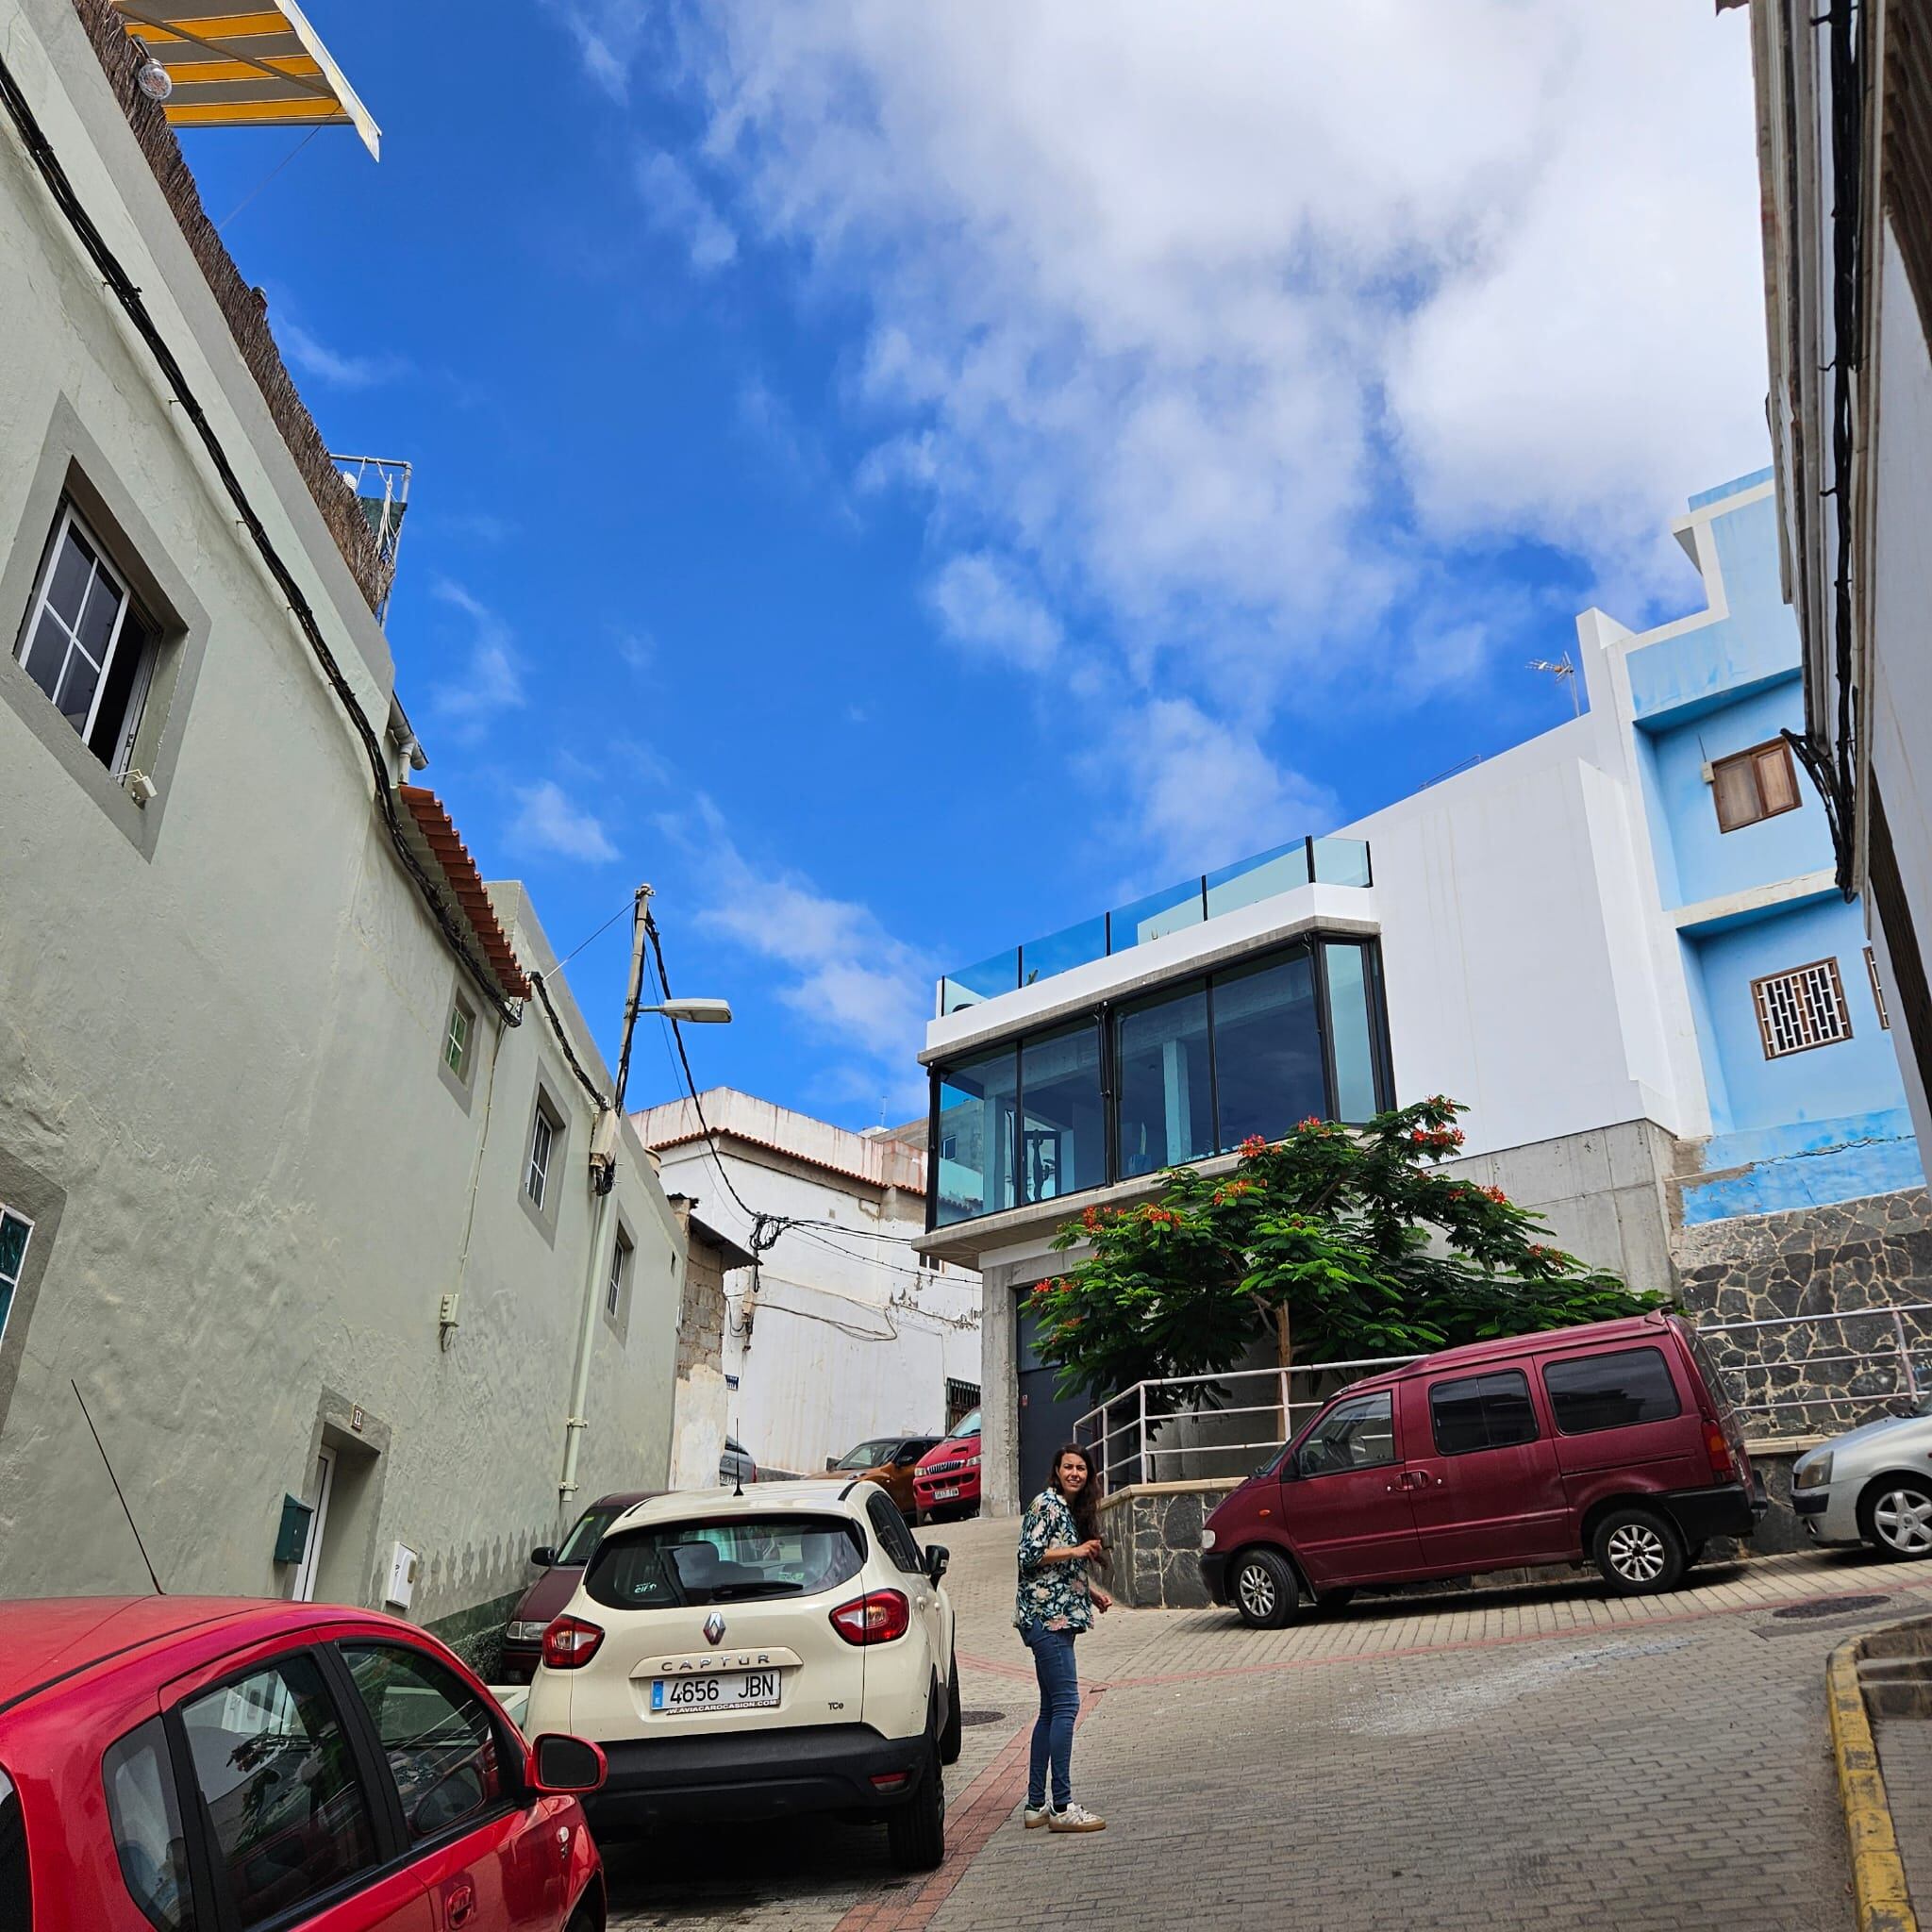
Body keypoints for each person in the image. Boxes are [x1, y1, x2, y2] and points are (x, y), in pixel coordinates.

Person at [1013, 1443, 1112, 1833]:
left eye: (1081, 1468)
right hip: (1047, 1622)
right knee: (1068, 1705)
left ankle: (1036, 1805)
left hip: (1055, 1617)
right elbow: (1028, 1555)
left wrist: (1090, 1594)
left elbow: (1055, 1570)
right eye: (1068, 1467)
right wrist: (1078, 1549)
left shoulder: (1067, 1509)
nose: (1075, 1473)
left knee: (1051, 1709)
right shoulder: (1046, 1504)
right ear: (1056, 1470)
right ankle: (1062, 1805)